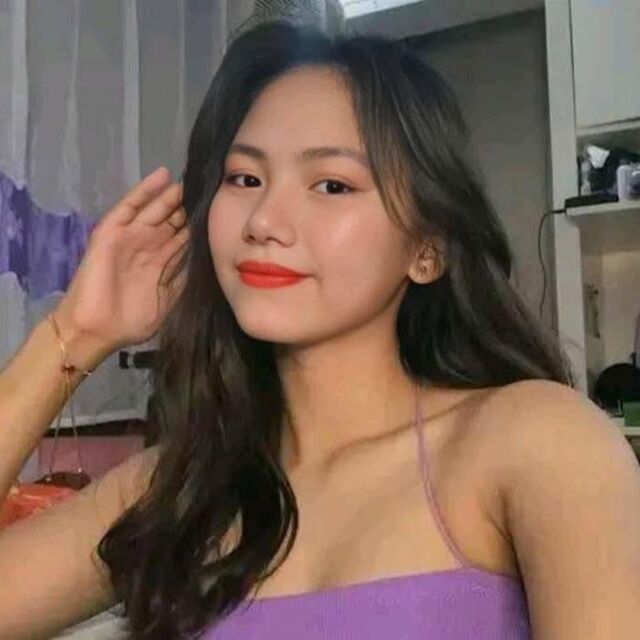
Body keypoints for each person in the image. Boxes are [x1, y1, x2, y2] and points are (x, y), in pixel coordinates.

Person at [1, 19, 639, 640]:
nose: (264, 220)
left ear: (427, 249)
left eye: (332, 184)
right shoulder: (177, 489)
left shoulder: (536, 442)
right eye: (245, 178)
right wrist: (77, 332)